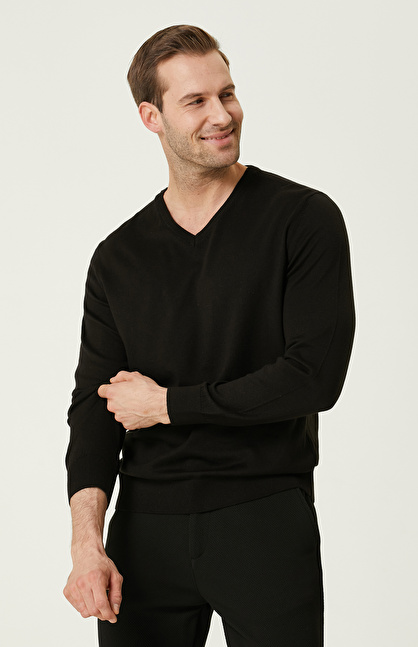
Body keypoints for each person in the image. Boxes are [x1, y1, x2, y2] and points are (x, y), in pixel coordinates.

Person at [63, 24, 355, 647]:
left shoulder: (303, 219)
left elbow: (313, 378)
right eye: (196, 101)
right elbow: (93, 409)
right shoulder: (119, 257)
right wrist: (87, 544)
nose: (222, 115)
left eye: (228, 93)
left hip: (263, 517)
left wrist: (168, 405)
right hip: (144, 530)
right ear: (152, 117)